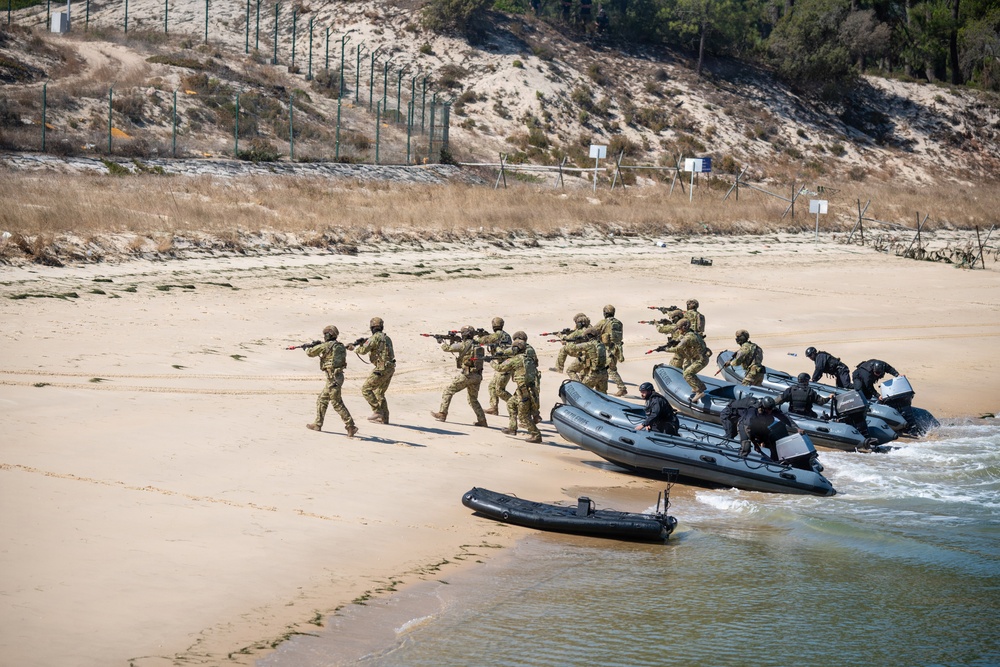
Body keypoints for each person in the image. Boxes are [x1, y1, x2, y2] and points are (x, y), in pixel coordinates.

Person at [304, 325, 358, 437]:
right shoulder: (340, 346)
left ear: (328, 335)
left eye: (325, 334)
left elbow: (310, 353)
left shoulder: (327, 345)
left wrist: (306, 348)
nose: (324, 336)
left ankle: (351, 426)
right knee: (322, 399)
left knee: (337, 402)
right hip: (335, 377)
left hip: (333, 378)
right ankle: (318, 424)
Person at [431, 326, 489, 427]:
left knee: (448, 391)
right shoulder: (477, 344)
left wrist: (441, 342)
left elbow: (448, 348)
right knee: (473, 399)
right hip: (478, 375)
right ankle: (482, 420)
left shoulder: (463, 345)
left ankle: (442, 413)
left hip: (467, 375)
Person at [348, 316, 395, 424]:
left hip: (381, 368)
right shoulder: (387, 338)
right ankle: (384, 418)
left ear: (372, 327)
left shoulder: (374, 338)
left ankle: (377, 411)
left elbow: (363, 350)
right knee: (379, 392)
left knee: (366, 389)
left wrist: (354, 348)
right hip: (390, 368)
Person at [494, 340, 543, 443]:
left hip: (524, 391)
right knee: (511, 403)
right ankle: (512, 428)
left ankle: (536, 435)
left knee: (523, 417)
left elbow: (500, 368)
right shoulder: (528, 358)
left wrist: (491, 361)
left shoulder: (516, 359)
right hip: (528, 390)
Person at [738, 397, 803, 460]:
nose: (770, 411)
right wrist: (755, 444)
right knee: (746, 446)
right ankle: (740, 460)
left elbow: (784, 418)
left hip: (759, 427)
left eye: (771, 409)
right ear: (763, 407)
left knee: (772, 441)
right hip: (745, 426)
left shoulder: (771, 409)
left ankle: (775, 460)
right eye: (769, 409)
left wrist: (797, 428)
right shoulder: (753, 411)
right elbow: (748, 428)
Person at [476, 316, 513, 415]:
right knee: (492, 386)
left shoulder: (497, 335)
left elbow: (482, 341)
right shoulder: (506, 335)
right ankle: (494, 408)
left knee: (500, 390)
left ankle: (516, 405)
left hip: (504, 366)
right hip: (502, 365)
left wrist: (477, 337)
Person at [670, 318, 709, 401]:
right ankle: (700, 386)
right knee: (688, 370)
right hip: (699, 358)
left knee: (687, 374)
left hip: (700, 360)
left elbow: (678, 349)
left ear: (684, 328)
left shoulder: (688, 337)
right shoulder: (691, 332)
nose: (679, 330)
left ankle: (699, 392)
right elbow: (679, 339)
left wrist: (665, 349)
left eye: (679, 328)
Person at [563, 327, 608, 393]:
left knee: (582, 392)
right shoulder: (601, 344)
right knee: (602, 396)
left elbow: (572, 348)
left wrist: (569, 342)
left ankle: (578, 385)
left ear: (589, 336)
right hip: (604, 373)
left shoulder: (589, 345)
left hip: (594, 375)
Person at [596, 304, 627, 396]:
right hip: (617, 349)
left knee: (610, 369)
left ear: (605, 313)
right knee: (607, 368)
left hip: (608, 350)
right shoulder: (619, 323)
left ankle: (622, 388)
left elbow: (593, 331)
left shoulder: (603, 322)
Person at [553, 312, 591, 376]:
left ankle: (559, 368)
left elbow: (566, 338)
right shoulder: (591, 329)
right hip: (590, 353)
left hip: (581, 353)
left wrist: (559, 335)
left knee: (564, 349)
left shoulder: (579, 331)